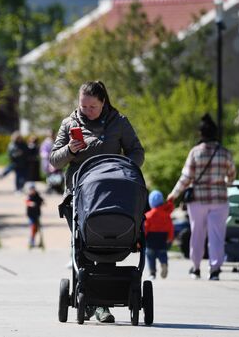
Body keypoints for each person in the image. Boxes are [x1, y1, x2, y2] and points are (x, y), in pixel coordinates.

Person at [49, 80, 145, 324]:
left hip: (111, 190)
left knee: (108, 241)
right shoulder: (69, 123)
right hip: (79, 194)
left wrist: (123, 169)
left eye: (92, 106)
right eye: (83, 105)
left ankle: (104, 298)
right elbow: (54, 161)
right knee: (83, 245)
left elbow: (137, 152)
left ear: (104, 103)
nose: (86, 110)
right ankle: (93, 302)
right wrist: (70, 150)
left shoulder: (119, 123)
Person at [167, 114, 236, 281]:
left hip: (197, 200)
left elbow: (185, 178)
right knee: (217, 235)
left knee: (197, 233)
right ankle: (214, 269)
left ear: (201, 134)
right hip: (219, 200)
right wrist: (224, 183)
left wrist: (173, 195)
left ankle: (196, 267)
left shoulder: (195, 152)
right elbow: (232, 175)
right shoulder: (225, 153)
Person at [144, 190, 174, 280]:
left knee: (150, 256)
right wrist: (170, 238)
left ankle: (152, 273)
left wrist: (142, 238)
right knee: (162, 254)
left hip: (151, 239)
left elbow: (145, 228)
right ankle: (164, 263)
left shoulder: (149, 215)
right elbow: (170, 227)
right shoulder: (166, 215)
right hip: (162, 238)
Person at [25, 183, 44, 249]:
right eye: (31, 189)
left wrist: (42, 203)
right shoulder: (29, 196)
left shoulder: (37, 195)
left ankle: (38, 241)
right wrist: (30, 204)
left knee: (36, 228)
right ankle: (31, 241)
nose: (32, 190)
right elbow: (27, 201)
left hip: (37, 214)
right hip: (31, 215)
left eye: (33, 189)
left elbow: (41, 201)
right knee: (33, 227)